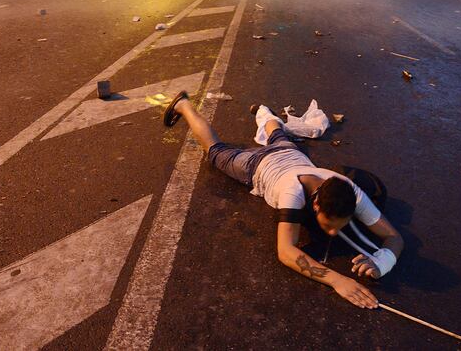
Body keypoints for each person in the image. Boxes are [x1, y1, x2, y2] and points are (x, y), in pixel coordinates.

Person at [163, 92, 404, 309]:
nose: (332, 233)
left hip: (290, 153)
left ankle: (262, 110)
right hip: (256, 166)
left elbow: (394, 237)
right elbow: (286, 251)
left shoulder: (350, 191)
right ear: (316, 205)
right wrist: (337, 280)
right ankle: (184, 105)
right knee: (214, 151)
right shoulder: (293, 193)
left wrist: (382, 262)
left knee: (277, 134)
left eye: (339, 226)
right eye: (329, 224)